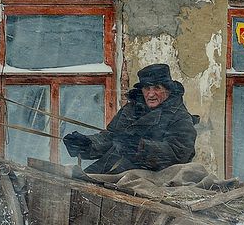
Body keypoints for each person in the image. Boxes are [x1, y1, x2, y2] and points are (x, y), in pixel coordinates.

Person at [63, 63, 198, 175]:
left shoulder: (180, 118)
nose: (151, 94)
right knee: (75, 180)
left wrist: (140, 148)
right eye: (147, 88)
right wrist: (87, 144)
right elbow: (111, 137)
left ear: (168, 90)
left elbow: (177, 155)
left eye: (157, 88)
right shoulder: (131, 109)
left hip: (149, 179)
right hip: (111, 167)